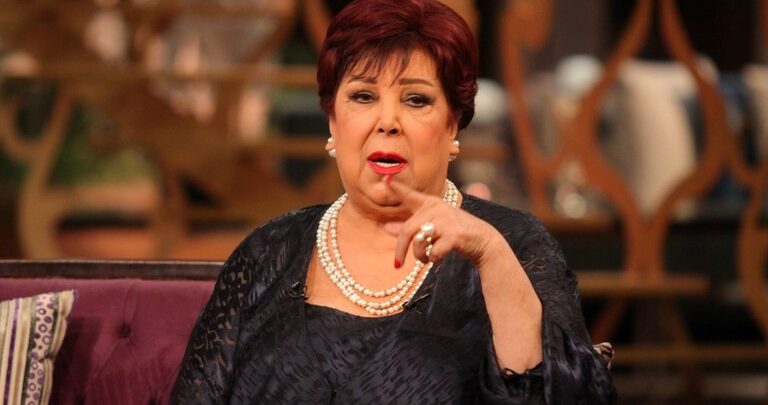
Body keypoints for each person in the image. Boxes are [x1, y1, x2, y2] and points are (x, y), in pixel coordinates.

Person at [170, 0, 615, 403]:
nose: (387, 121)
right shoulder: (267, 252)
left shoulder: (515, 245)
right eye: (363, 96)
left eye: (416, 100)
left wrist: (490, 256)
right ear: (333, 120)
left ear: (453, 125)